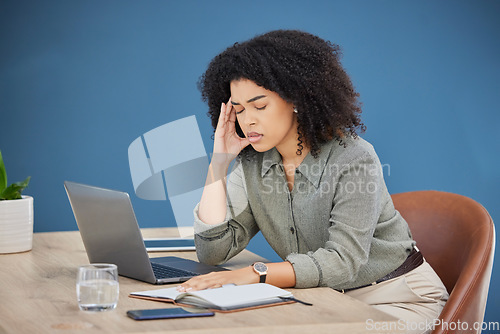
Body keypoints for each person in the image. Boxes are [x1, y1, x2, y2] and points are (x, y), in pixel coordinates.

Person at [178, 30, 448, 333]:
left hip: (396, 299)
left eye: (259, 105)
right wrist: (219, 163)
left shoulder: (355, 158)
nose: (247, 120)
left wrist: (256, 273)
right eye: (238, 110)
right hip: (324, 300)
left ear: (296, 99)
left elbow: (343, 261)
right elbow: (213, 252)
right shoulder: (253, 162)